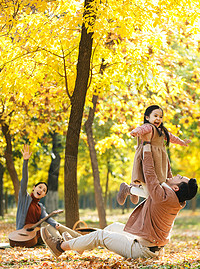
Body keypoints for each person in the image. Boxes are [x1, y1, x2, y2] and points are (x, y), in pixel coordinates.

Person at [40, 139, 198, 260]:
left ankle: (60, 247)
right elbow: (167, 173)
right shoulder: (172, 198)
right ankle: (79, 247)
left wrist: (148, 147)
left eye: (179, 178)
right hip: (149, 244)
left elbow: (150, 173)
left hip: (143, 251)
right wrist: (160, 144)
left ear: (176, 187)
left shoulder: (163, 196)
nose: (175, 176)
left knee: (100, 236)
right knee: (113, 227)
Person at [122, 104, 191, 205]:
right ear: (147, 117)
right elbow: (141, 129)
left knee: (156, 186)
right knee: (149, 191)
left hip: (159, 161)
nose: (158, 118)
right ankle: (129, 189)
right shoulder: (149, 127)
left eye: (161, 117)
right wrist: (135, 132)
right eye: (155, 116)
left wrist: (182, 142)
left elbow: (172, 137)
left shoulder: (162, 131)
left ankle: (136, 188)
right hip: (148, 156)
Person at [16, 144, 80, 243]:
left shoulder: (40, 207)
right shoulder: (24, 198)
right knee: (50, 228)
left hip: (35, 235)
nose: (41, 190)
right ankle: (65, 242)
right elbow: (24, 180)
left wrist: (55, 224)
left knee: (52, 226)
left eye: (44, 190)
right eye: (40, 187)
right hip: (22, 234)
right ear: (34, 188)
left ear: (44, 195)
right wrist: (25, 161)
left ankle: (77, 239)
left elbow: (48, 218)